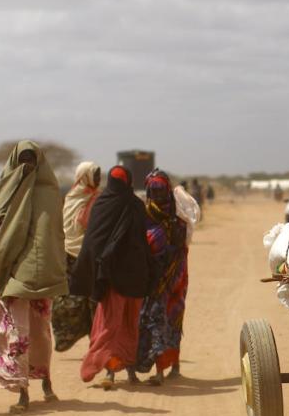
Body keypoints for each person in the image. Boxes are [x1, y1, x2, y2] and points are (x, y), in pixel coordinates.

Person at [0, 141, 68, 413]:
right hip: (8, 271)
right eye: (23, 159)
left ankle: (46, 382)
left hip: (39, 274)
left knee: (40, 330)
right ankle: (23, 390)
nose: (27, 165)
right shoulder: (5, 190)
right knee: (17, 332)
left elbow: (52, 235)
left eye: (31, 159)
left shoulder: (48, 193)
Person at [71, 166, 152, 389]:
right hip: (134, 274)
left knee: (110, 323)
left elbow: (92, 242)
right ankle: (126, 372)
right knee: (129, 323)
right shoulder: (136, 205)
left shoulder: (102, 204)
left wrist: (90, 271)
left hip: (113, 275)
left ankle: (105, 368)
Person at [137, 170, 189, 385]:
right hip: (178, 275)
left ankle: (161, 370)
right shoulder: (179, 213)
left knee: (158, 319)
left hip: (160, 279)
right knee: (173, 317)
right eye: (154, 190)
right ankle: (173, 366)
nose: (157, 194)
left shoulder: (146, 214)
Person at [52, 161, 101, 352]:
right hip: (69, 254)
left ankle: (94, 341)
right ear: (84, 177)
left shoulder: (95, 198)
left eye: (98, 176)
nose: (97, 180)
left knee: (92, 300)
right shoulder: (72, 197)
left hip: (87, 255)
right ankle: (68, 336)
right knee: (69, 300)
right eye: (95, 176)